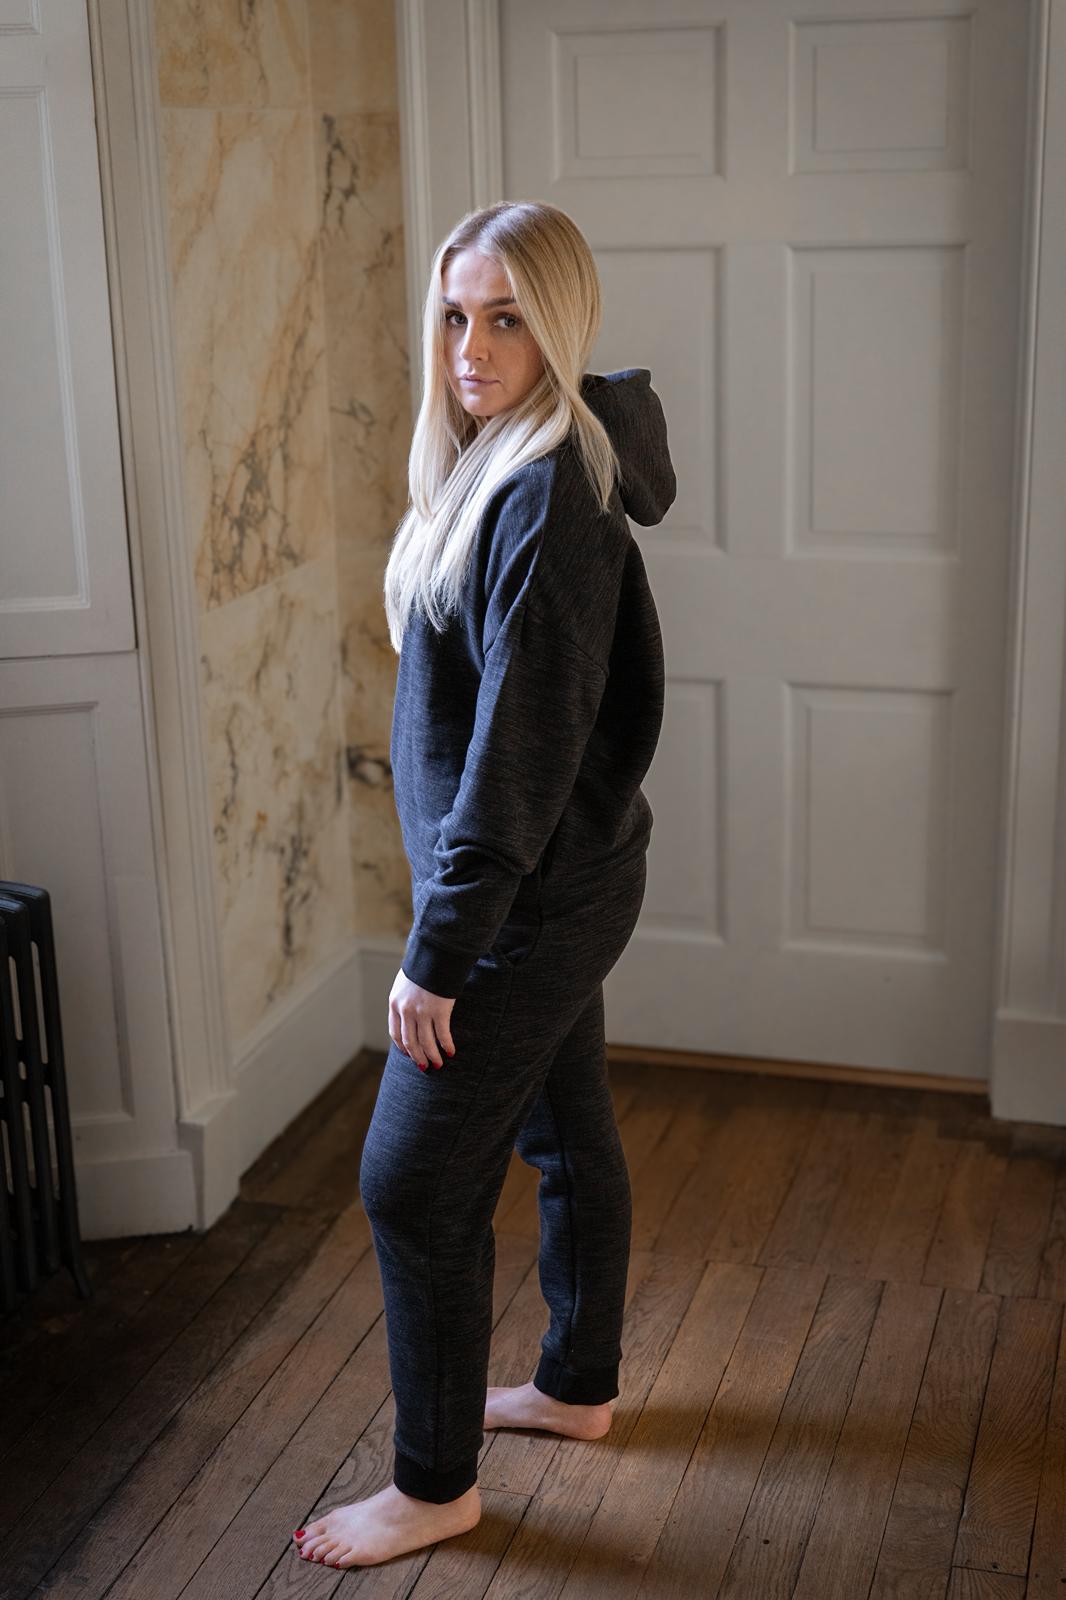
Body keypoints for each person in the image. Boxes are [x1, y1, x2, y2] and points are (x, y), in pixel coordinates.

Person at [292, 200, 676, 1569]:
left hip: (526, 903)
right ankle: (576, 1388)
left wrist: (437, 952)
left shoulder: (549, 495)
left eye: (506, 316)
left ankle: (433, 1483)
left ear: (559, 324)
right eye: (455, 315)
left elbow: (517, 757)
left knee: (408, 1182)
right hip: (548, 884)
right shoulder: (494, 469)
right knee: (564, 1136)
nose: (470, 345)